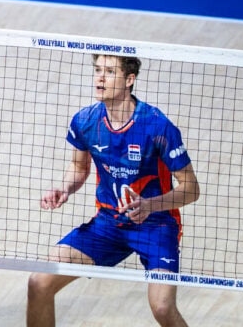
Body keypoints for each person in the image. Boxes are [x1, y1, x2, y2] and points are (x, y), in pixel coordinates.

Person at [27, 54, 201, 327]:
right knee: (39, 282)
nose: (100, 77)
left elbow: (191, 189)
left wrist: (150, 205)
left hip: (155, 225)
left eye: (109, 71)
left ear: (129, 80)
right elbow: (78, 167)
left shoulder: (157, 126)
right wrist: (64, 187)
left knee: (163, 308)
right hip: (108, 224)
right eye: (98, 69)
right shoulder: (85, 121)